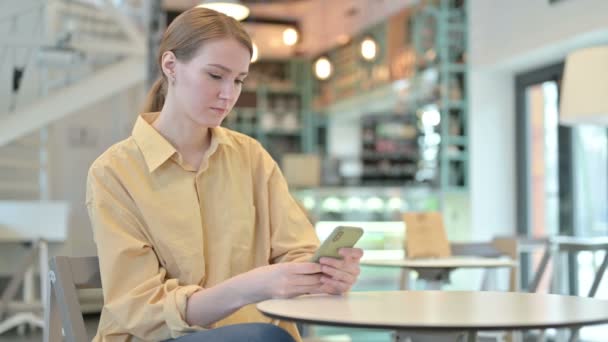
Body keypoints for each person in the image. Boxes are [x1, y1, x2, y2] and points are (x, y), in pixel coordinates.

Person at [85, 7, 363, 342]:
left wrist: (325, 274)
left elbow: (297, 250)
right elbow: (143, 310)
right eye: (215, 76)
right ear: (170, 66)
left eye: (239, 80)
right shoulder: (113, 173)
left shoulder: (251, 157)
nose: (228, 94)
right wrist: (248, 288)